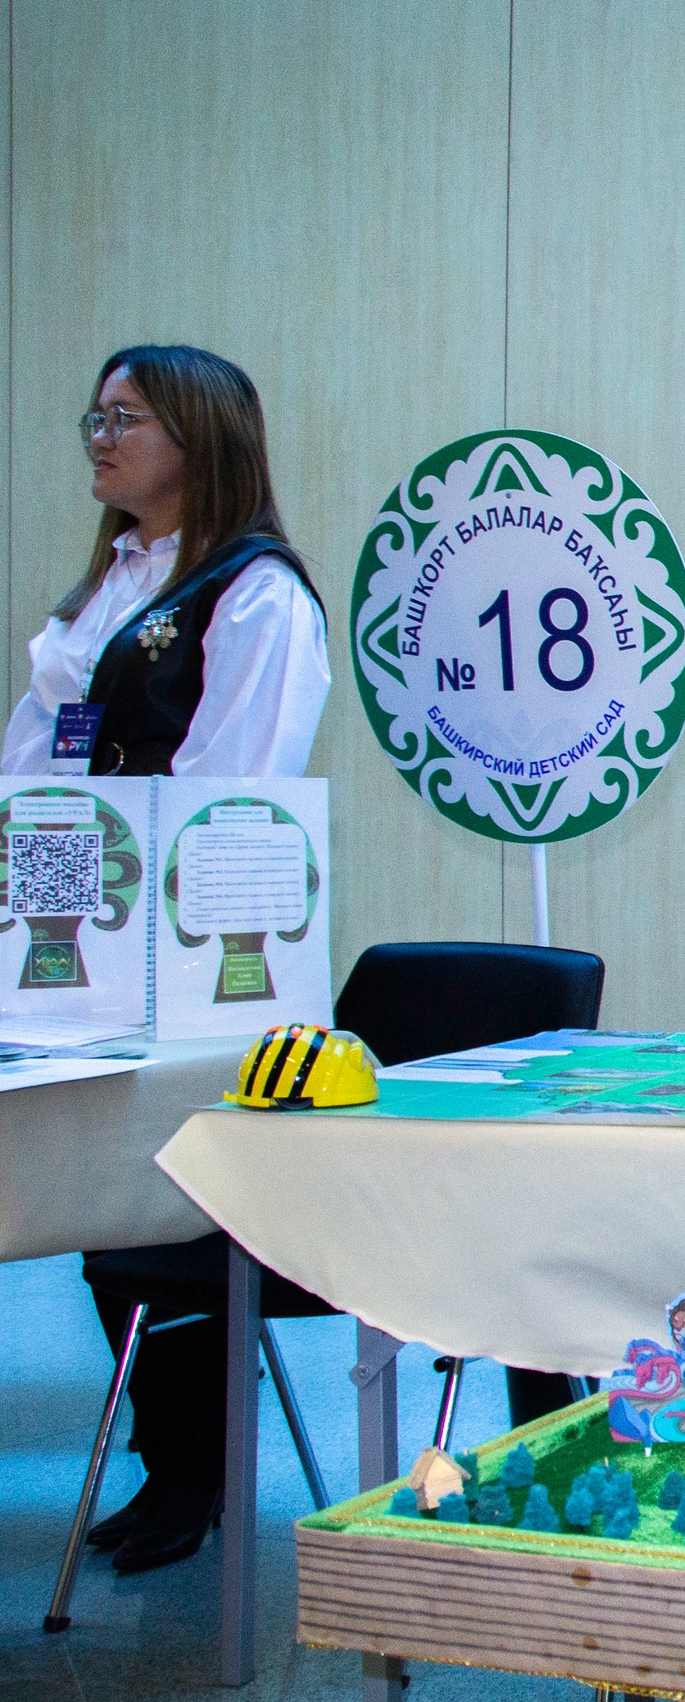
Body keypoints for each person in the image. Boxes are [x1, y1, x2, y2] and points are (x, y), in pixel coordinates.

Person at [3, 348, 330, 1574]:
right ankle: (166, 1457)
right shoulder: (111, 587)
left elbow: (229, 796)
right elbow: (37, 769)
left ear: (197, 436)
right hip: (87, 952)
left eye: (125, 417)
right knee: (104, 1202)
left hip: (200, 960)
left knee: (178, 1210)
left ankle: (196, 1471)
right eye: (93, 416)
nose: (100, 437)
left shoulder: (258, 596)